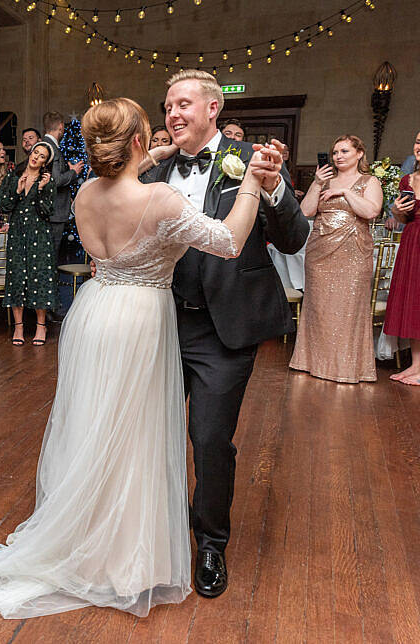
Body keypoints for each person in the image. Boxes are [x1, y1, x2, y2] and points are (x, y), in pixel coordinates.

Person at [0, 98, 273, 626]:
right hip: (140, 319)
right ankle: (122, 554)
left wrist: (152, 150)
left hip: (94, 310)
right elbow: (232, 240)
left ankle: (86, 536)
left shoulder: (83, 192)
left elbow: (124, 173)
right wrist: (250, 185)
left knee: (96, 426)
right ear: (139, 143)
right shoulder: (162, 198)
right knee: (134, 433)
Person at [139, 70, 308, 598]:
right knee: (153, 435)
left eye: (184, 103)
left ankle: (210, 542)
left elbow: (294, 236)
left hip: (223, 328)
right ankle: (153, 534)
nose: (173, 114)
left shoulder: (253, 158)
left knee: (210, 439)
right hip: (160, 321)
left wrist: (275, 186)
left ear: (213, 109)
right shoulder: (153, 171)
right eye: (168, 106)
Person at [291, 135, 382, 382]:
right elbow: (306, 212)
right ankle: (311, 362)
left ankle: (346, 367)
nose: (338, 156)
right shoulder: (325, 180)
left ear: (359, 154)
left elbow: (371, 211)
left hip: (353, 251)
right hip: (320, 252)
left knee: (349, 308)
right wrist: (318, 183)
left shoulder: (369, 181)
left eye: (344, 151)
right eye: (334, 152)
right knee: (319, 307)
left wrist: (344, 191)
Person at [0, 143, 55, 346]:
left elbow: (48, 211)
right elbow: (4, 206)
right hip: (17, 235)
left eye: (42, 156)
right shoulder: (12, 177)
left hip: (39, 235)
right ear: (30, 154)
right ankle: (19, 326)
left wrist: (40, 190)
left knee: (40, 276)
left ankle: (41, 326)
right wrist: (17, 190)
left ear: (45, 163)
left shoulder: (47, 182)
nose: (37, 157)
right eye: (36, 152)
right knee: (17, 276)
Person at [41, 112, 85, 320]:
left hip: (50, 214)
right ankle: (50, 308)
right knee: (50, 260)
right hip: (55, 214)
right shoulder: (53, 149)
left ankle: (49, 307)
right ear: (60, 127)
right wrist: (74, 171)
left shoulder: (45, 147)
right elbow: (56, 181)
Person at [386, 130, 420, 384]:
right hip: (411, 240)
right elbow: (402, 220)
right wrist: (397, 211)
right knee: (412, 301)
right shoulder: (407, 179)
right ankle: (416, 365)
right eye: (418, 141)